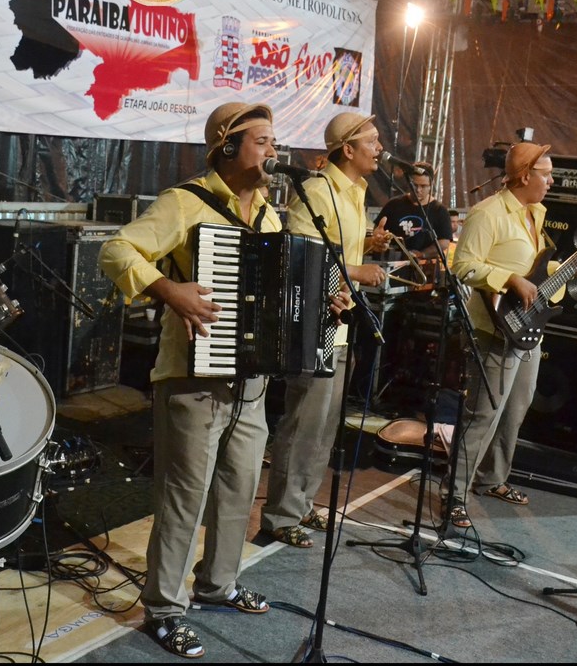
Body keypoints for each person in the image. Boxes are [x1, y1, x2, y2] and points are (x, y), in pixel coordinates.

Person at [98, 102, 294, 659]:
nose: (273, 151)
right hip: (192, 378)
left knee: (238, 488)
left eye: (274, 141)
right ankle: (163, 608)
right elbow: (117, 249)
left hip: (250, 380)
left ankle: (218, 583)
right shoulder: (185, 202)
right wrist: (169, 290)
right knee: (184, 497)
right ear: (227, 147)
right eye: (262, 141)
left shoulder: (272, 217)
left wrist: (319, 302)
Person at [447, 142, 577, 529]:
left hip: (527, 330)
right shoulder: (488, 213)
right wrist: (509, 279)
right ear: (525, 175)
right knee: (482, 415)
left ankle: (492, 479)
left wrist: (575, 271)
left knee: (515, 410)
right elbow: (463, 265)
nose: (552, 181)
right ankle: (454, 495)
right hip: (494, 331)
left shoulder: (534, 214)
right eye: (547, 174)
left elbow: (538, 276)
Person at [259, 112, 393, 549]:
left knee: (325, 426)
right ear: (348, 149)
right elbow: (301, 257)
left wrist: (367, 245)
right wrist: (357, 269)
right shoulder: (318, 190)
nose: (380, 148)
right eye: (372, 140)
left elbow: (334, 248)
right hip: (313, 324)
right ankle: (280, 515)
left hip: (340, 324)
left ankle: (301, 504)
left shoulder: (355, 191)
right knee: (304, 423)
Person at [374, 160, 453, 262]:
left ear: (431, 186)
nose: (418, 190)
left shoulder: (439, 210)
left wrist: (422, 254)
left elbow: (444, 242)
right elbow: (377, 231)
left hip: (423, 266)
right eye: (414, 185)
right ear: (408, 183)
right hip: (393, 262)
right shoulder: (393, 205)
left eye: (423, 186)